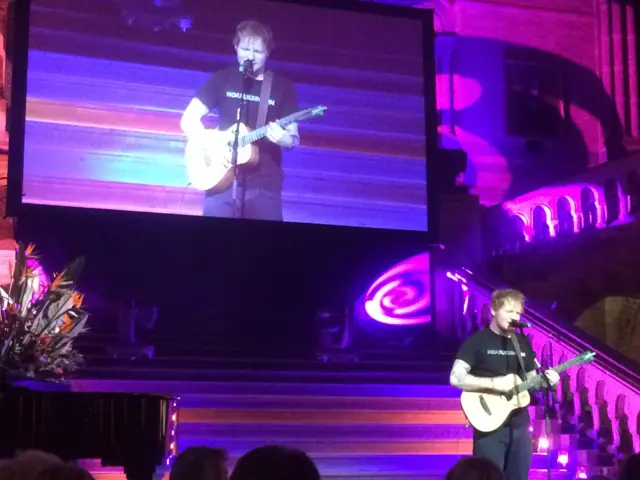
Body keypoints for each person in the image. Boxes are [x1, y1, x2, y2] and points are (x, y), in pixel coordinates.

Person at [180, 20, 300, 221]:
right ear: (235, 47)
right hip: (220, 178)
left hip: (264, 185)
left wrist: (283, 139)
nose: (250, 57)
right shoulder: (222, 79)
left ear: (268, 52)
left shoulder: (282, 87)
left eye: (258, 52)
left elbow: (294, 139)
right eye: (244, 49)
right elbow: (188, 120)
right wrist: (210, 143)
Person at [449, 289, 560, 480]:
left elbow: (531, 382)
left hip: (520, 422)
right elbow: (456, 378)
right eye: (509, 311)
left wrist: (549, 382)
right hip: (489, 424)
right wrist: (494, 383)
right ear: (493, 310)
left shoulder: (522, 342)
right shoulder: (478, 341)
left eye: (517, 313)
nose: (514, 317)